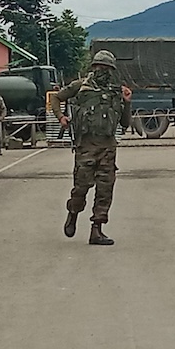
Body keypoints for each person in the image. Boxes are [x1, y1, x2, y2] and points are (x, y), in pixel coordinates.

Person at [58, 49, 129, 245]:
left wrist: (127, 103)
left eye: (107, 68)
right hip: (85, 148)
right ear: (93, 67)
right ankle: (73, 212)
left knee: (105, 190)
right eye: (100, 67)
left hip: (108, 149)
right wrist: (61, 118)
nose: (103, 70)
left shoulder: (115, 92)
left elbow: (125, 123)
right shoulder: (80, 87)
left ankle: (96, 229)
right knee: (81, 188)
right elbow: (56, 98)